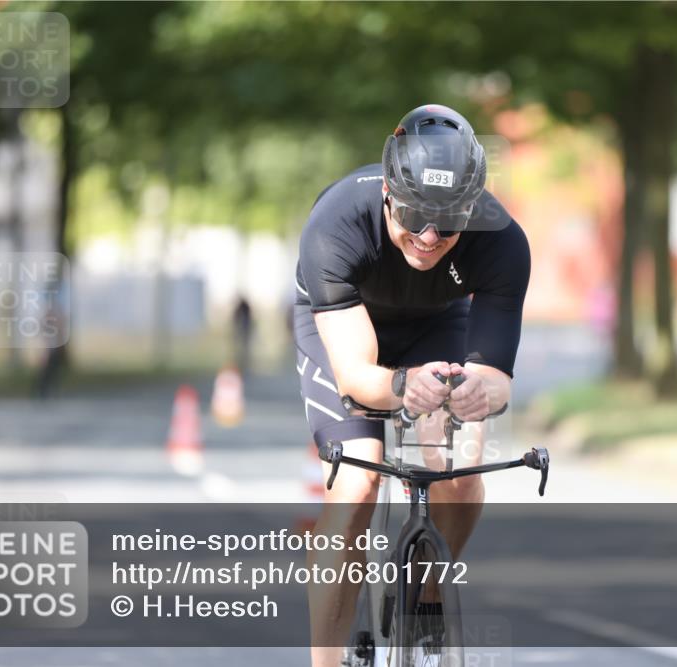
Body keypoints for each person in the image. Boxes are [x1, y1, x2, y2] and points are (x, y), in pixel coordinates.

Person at [292, 104, 531, 666]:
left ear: (471, 211)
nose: (428, 236)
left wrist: (477, 392)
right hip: (346, 324)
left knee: (458, 474)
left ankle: (426, 605)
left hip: (436, 323)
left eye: (448, 221)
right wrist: (404, 387)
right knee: (356, 483)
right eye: (414, 215)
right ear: (387, 196)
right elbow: (357, 375)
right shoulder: (337, 222)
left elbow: (496, 379)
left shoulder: (503, 243)